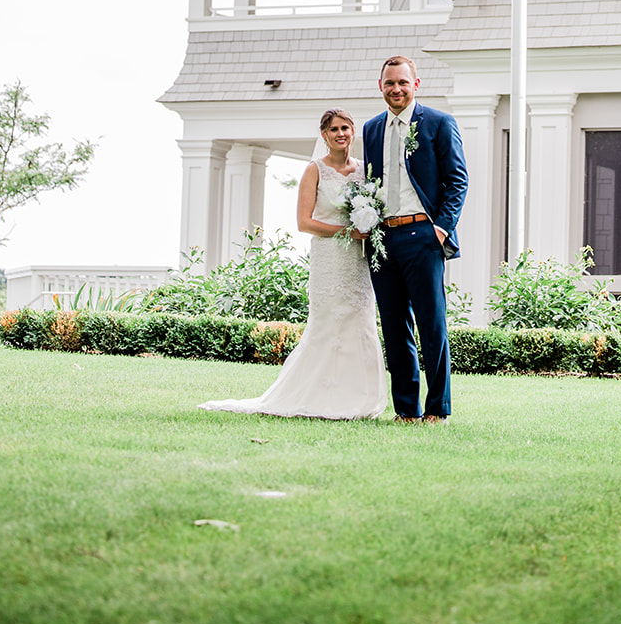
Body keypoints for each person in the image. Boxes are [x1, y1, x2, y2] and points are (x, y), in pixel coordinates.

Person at [197, 107, 387, 420]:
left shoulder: (363, 171)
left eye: (346, 128)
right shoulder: (314, 170)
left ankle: (356, 397)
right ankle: (316, 395)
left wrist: (366, 226)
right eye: (334, 129)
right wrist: (346, 231)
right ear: (324, 135)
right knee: (328, 324)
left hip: (357, 259)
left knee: (359, 321)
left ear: (354, 132)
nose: (341, 134)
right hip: (329, 256)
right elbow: (304, 222)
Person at [362, 55, 468, 423]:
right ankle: (406, 409)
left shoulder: (439, 123)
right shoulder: (371, 129)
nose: (396, 89)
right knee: (394, 326)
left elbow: (458, 181)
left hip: (423, 235)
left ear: (415, 85)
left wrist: (439, 228)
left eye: (403, 83)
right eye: (390, 83)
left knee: (432, 324)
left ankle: (438, 409)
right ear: (381, 87)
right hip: (383, 239)